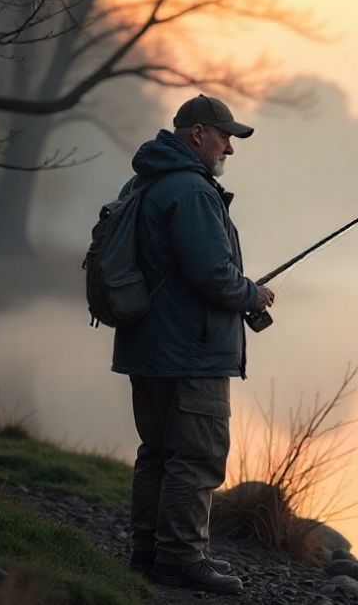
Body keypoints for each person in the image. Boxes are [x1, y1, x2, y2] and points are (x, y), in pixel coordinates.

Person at [111, 94, 275, 594]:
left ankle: (148, 554)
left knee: (158, 453)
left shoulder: (144, 181)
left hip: (148, 345)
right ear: (198, 133)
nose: (230, 148)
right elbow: (213, 275)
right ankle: (181, 560)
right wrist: (253, 293)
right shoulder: (192, 191)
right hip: (190, 352)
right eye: (225, 137)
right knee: (197, 456)